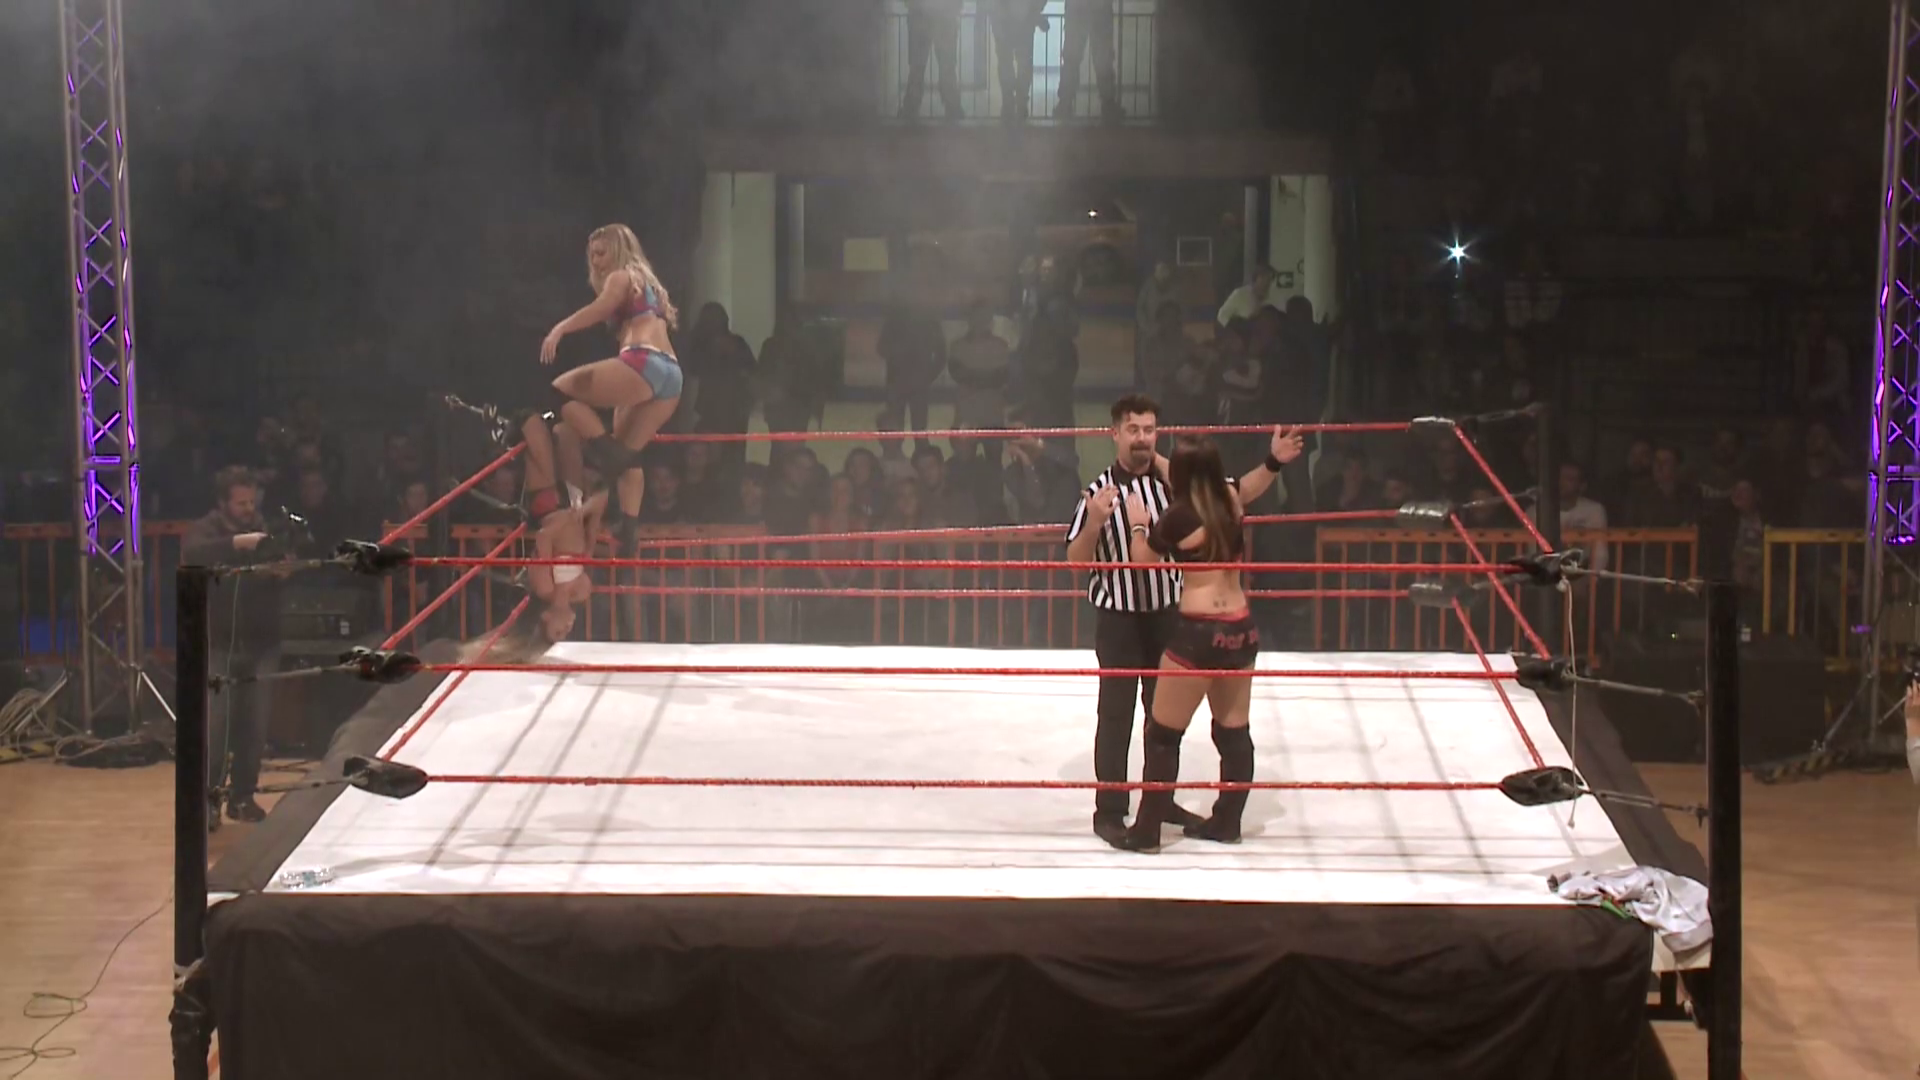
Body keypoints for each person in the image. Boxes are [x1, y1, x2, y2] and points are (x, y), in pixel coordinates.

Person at [1115, 426, 1306, 852]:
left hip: (1199, 632)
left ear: (1182, 475)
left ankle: (1146, 831)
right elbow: (1250, 484)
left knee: (1163, 734)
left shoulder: (1178, 516)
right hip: (1241, 628)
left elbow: (1142, 560)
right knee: (1233, 732)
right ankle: (1226, 822)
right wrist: (1273, 461)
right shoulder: (1229, 499)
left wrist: (1138, 526)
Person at [1064, 394, 1205, 848]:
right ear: (1115, 433)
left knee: (1165, 716)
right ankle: (1110, 809)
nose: (1142, 438)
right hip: (1118, 619)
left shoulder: (1170, 486)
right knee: (1116, 714)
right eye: (1133, 430)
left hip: (1166, 614)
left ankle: (1160, 801)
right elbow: (1075, 562)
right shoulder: (1099, 490)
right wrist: (1094, 523)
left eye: (1149, 430)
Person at [540, 223, 682, 549]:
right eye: (592, 256)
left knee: (557, 391)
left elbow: (601, 308)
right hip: (671, 375)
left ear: (618, 251)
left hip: (643, 361)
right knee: (628, 454)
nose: (596, 262)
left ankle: (605, 455)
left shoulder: (622, 276)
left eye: (602, 253)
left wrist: (560, 329)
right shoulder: (649, 285)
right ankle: (628, 529)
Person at [180, 466, 286, 826]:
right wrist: (237, 544)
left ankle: (242, 798)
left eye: (252, 502)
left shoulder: (265, 529)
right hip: (221, 643)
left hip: (262, 641)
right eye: (241, 503)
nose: (248, 509)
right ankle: (208, 802)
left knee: (255, 728)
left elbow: (282, 562)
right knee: (217, 727)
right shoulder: (205, 530)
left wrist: (281, 568)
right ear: (223, 502)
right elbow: (193, 553)